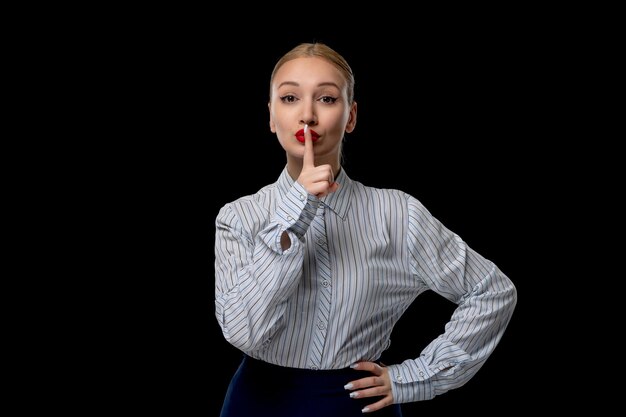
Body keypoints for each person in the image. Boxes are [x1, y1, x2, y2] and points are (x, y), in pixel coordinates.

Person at [214, 42, 517, 417]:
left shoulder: (398, 214)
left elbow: (492, 291)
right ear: (272, 117)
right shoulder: (239, 217)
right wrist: (296, 210)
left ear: (351, 116)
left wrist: (416, 376)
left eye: (326, 98)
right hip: (257, 404)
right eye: (290, 97)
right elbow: (243, 333)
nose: (306, 115)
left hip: (358, 405)